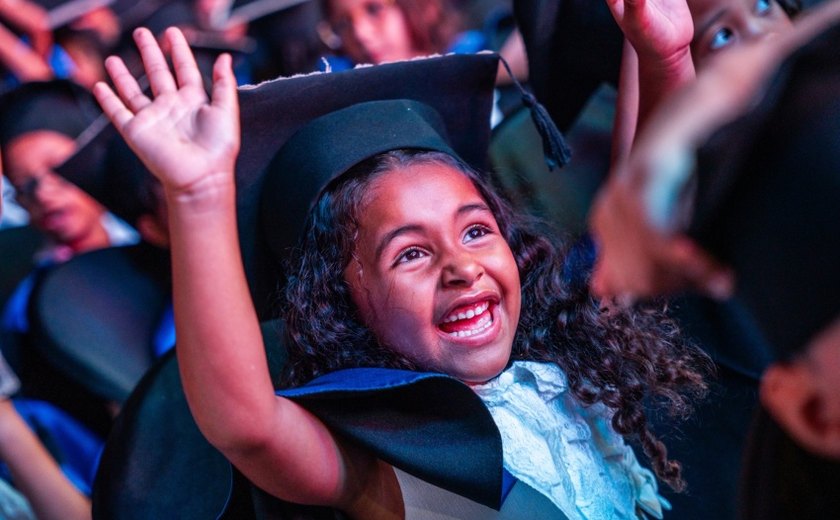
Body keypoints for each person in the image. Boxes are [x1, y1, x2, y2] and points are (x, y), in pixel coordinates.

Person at [95, 26, 709, 518]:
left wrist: (664, 56)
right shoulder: (387, 462)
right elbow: (248, 426)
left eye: (476, 230)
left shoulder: (563, 360)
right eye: (410, 253)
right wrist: (200, 195)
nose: (461, 266)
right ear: (343, 302)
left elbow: (647, 213)